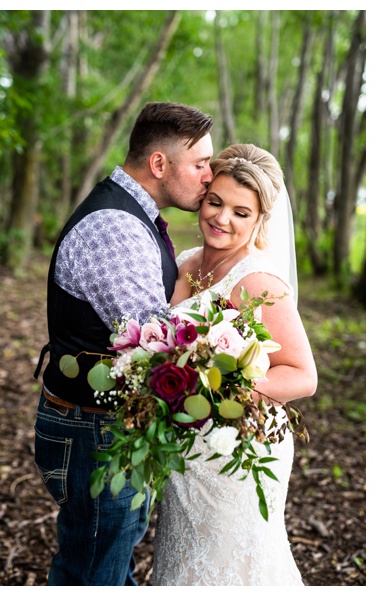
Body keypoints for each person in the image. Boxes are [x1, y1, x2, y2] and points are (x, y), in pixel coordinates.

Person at [33, 101, 214, 585]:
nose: (209, 176)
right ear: (159, 164)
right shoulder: (116, 225)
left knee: (108, 563)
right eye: (199, 164)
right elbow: (157, 343)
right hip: (91, 430)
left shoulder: (130, 211)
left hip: (100, 424)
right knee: (93, 573)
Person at [150, 144, 317, 585]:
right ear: (202, 200)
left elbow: (303, 374)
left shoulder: (259, 281)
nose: (222, 219)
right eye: (216, 203)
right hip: (185, 446)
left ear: (259, 220)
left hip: (238, 451)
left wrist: (217, 391)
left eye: (241, 212)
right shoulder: (185, 263)